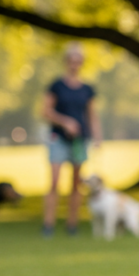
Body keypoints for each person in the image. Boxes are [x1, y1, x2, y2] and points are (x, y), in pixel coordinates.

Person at [41, 43, 101, 237]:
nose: (75, 64)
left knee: (76, 183)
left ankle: (72, 224)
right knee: (54, 181)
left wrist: (97, 137)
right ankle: (48, 225)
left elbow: (91, 115)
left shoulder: (87, 89)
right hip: (58, 138)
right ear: (66, 62)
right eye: (71, 60)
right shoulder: (56, 86)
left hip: (79, 140)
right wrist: (65, 121)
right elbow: (45, 111)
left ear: (81, 63)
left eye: (78, 60)